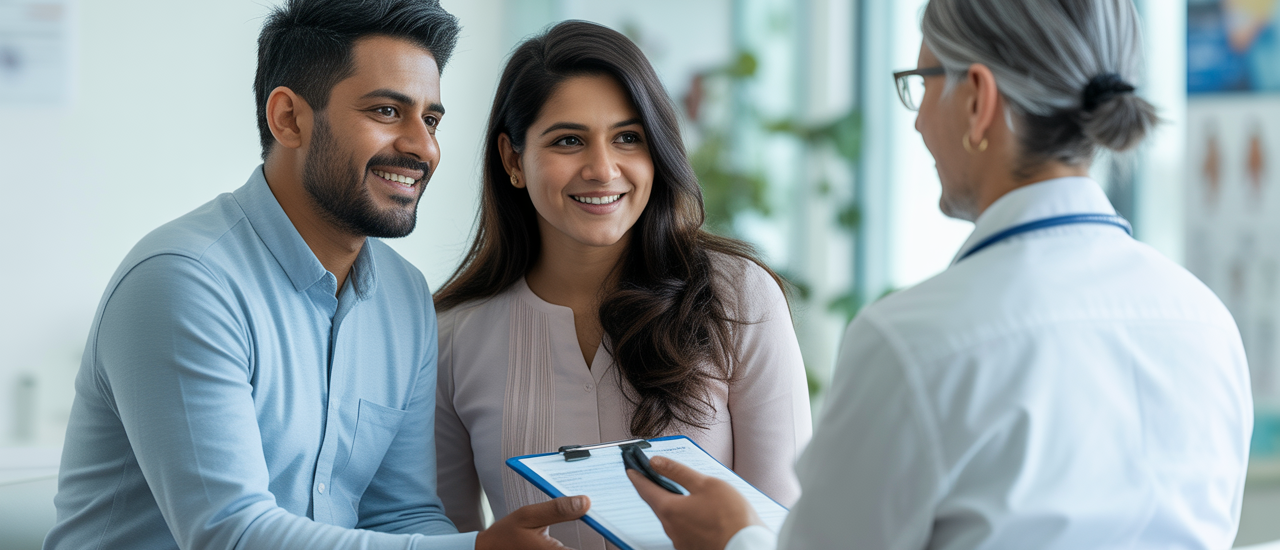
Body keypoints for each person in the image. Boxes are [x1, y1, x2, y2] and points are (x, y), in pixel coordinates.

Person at [629, 0, 1254, 548]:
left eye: (923, 82)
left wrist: (733, 538)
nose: (920, 119)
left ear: (978, 100)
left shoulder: (917, 342)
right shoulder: (1206, 321)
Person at [43, 1, 588, 549]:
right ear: (288, 118)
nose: (423, 146)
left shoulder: (403, 297)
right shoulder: (183, 282)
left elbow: (401, 515)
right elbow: (230, 535)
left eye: (431, 119)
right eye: (385, 111)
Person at [431, 20, 812, 550]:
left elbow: (793, 528)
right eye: (569, 140)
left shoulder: (738, 298)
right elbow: (439, 534)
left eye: (628, 138)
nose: (603, 169)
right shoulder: (450, 336)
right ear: (513, 159)